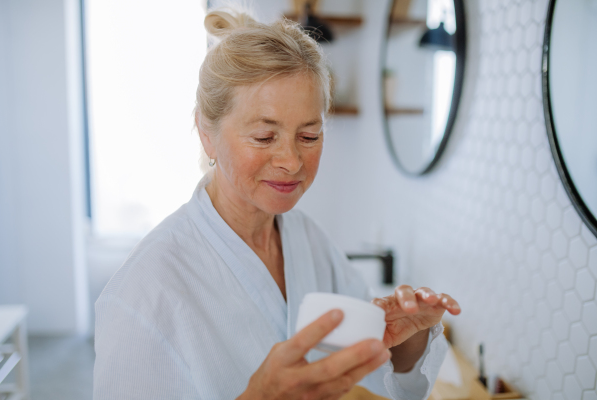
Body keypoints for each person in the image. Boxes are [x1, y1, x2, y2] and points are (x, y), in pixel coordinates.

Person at [93, 7, 460, 400]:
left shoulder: (308, 241)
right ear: (206, 133)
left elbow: (370, 377)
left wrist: (405, 340)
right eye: (265, 137)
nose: (291, 161)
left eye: (309, 136)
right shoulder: (143, 293)